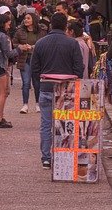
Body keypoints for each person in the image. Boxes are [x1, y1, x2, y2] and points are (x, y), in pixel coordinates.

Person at [28, 12, 85, 169]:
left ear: (51, 25)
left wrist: (39, 87)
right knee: (66, 124)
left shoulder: (40, 43)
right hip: (67, 89)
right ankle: (64, 154)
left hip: (46, 87)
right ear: (66, 25)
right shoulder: (72, 44)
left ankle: (46, 157)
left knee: (46, 125)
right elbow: (79, 68)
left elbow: (34, 69)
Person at [13, 11, 46, 114]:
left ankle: (37, 103)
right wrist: (20, 46)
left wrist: (35, 47)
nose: (26, 20)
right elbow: (14, 43)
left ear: (33, 20)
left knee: (37, 83)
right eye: (25, 18)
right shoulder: (20, 31)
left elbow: (45, 43)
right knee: (26, 83)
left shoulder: (41, 31)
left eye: (28, 18)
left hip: (37, 60)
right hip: (25, 59)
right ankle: (25, 104)